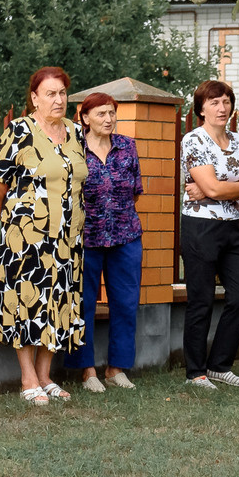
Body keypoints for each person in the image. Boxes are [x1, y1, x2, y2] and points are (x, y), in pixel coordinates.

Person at [0, 65, 84, 407]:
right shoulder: (19, 131)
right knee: (27, 302)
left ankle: (46, 376)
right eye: (50, 94)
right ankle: (28, 378)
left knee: (58, 301)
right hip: (27, 238)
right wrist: (11, 221)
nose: (58, 99)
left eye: (62, 93)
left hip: (68, 238)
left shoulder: (76, 132)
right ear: (34, 98)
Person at [178, 80, 239, 390]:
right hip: (200, 227)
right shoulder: (193, 140)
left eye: (226, 101)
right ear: (201, 109)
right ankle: (196, 372)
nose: (222, 108)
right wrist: (231, 187)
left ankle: (219, 365)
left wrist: (216, 189)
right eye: (214, 102)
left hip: (232, 227)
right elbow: (226, 186)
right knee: (201, 299)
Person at [70, 91, 146, 394]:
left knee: (126, 303)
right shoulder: (73, 147)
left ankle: (117, 368)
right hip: (86, 238)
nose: (108, 119)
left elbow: (135, 191)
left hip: (126, 236)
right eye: (101, 113)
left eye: (112, 112)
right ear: (85, 117)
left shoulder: (127, 146)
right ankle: (86, 370)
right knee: (83, 303)